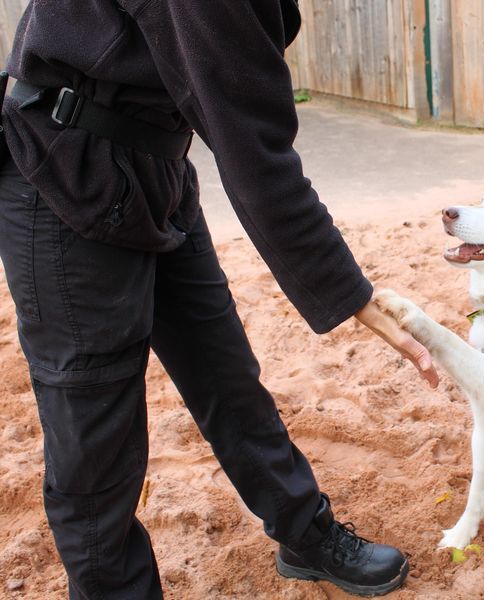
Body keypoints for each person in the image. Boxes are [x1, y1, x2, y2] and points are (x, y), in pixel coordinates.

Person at [0, 1, 439, 598]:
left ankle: (304, 534)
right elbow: (256, 158)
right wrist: (354, 296)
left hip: (152, 167)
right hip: (63, 173)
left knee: (227, 376)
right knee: (93, 441)